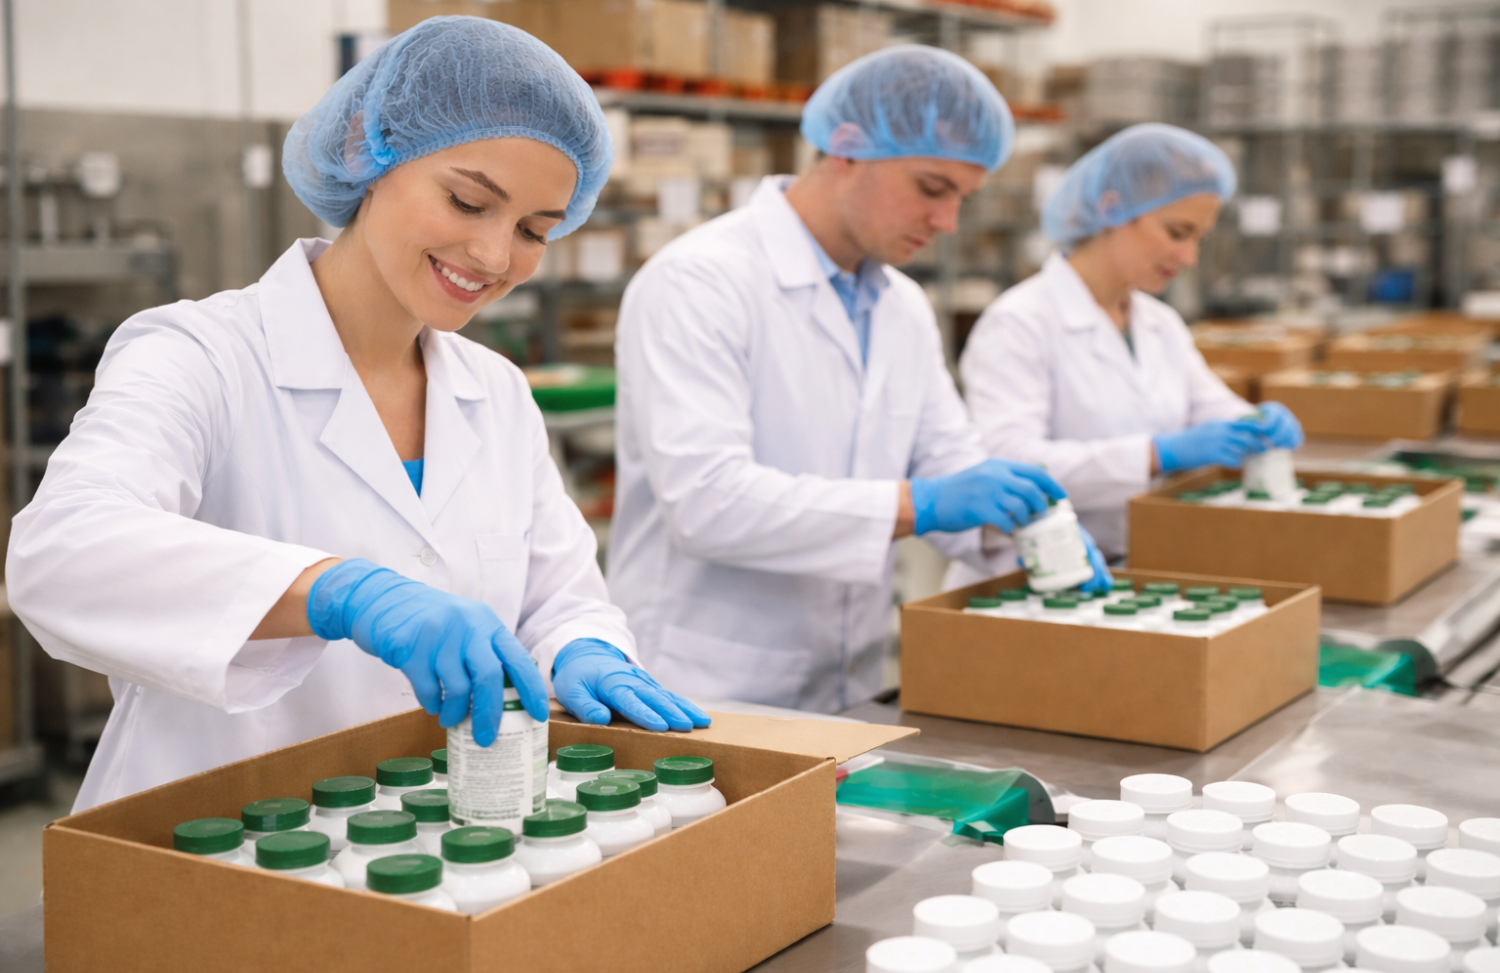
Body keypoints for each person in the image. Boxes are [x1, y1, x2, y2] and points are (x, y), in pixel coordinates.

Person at [5, 17, 708, 813]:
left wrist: (585, 646)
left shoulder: (498, 392)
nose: (493, 256)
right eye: (468, 200)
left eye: (533, 231)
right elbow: (61, 552)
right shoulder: (200, 355)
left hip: (422, 844)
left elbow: (558, 595)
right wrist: (339, 592)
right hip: (206, 841)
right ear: (364, 156)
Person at [607, 46, 1110, 715]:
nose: (947, 222)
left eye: (963, 197)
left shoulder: (901, 304)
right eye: (932, 189)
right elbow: (707, 503)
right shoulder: (700, 282)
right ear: (846, 150)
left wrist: (1019, 526)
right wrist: (920, 505)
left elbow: (944, 455)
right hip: (708, 684)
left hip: (853, 678)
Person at [955, 123, 1303, 566]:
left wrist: (1253, 424)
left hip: (1141, 562)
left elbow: (1207, 407)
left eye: (1199, 238)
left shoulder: (1160, 323)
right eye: (1177, 233)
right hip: (1033, 573)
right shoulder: (1019, 323)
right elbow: (1012, 461)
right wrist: (1156, 455)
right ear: (1113, 209)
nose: (1189, 257)